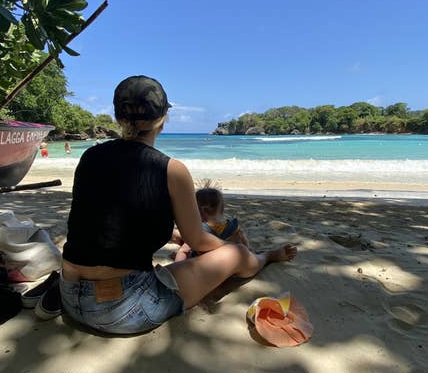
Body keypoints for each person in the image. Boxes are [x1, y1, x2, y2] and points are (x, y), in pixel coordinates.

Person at [35, 75, 297, 332]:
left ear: (117, 118)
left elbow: (102, 222)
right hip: (121, 307)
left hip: (69, 293)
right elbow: (199, 242)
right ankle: (263, 258)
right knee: (237, 254)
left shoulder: (90, 156)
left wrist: (172, 234)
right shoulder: (171, 169)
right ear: (162, 121)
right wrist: (227, 246)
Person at [174, 184, 248, 261]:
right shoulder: (233, 226)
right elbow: (244, 243)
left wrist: (178, 263)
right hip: (228, 260)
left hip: (206, 264)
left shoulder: (198, 231)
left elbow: (184, 251)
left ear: (196, 211)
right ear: (222, 209)